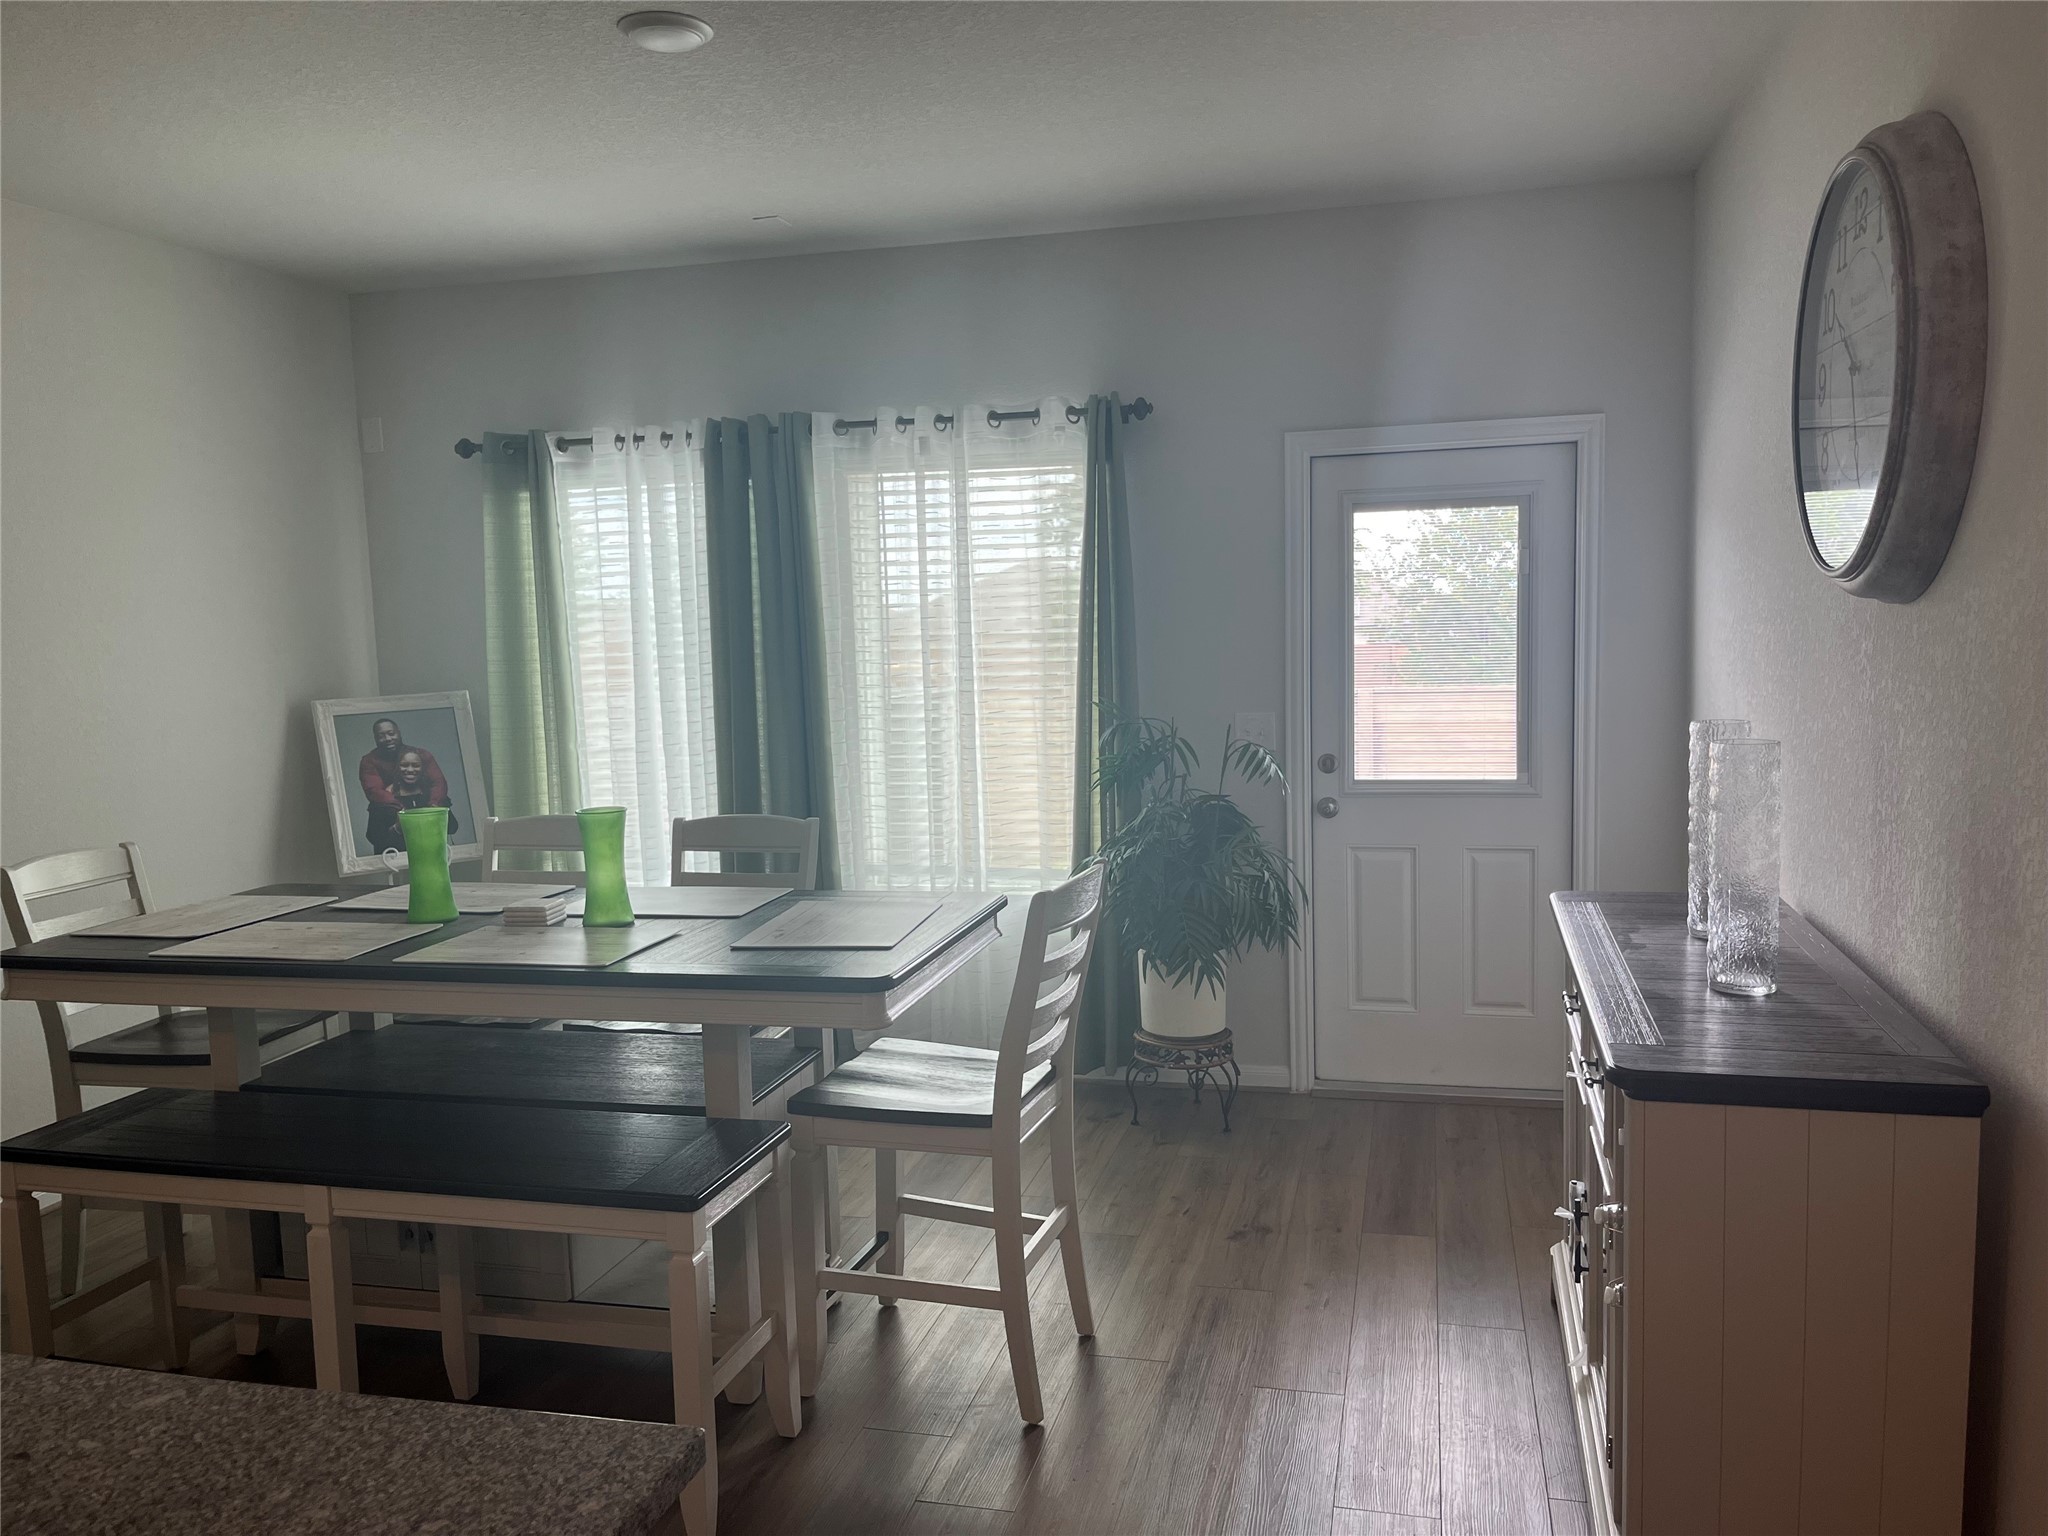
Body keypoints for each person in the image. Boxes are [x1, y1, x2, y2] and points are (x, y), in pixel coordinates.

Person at [359, 717, 453, 853]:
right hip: (387, 817)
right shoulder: (369, 761)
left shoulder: (422, 755)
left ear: (399, 732)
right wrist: (402, 814)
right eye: (381, 736)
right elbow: (374, 791)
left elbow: (439, 783)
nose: (387, 738)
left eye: (391, 733)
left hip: (426, 827)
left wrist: (433, 806)